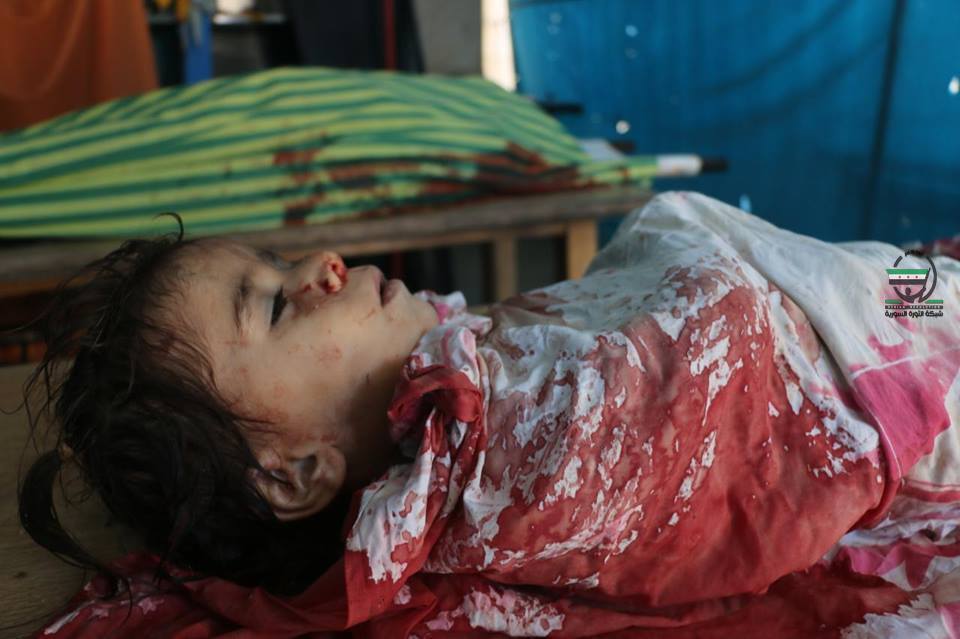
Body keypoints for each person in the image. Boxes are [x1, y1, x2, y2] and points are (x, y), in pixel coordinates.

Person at [19, 193, 960, 637]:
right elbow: (705, 423)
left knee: (894, 274)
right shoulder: (501, 469)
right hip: (865, 369)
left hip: (838, 293)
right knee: (918, 287)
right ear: (296, 472)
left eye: (276, 262)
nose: (319, 267)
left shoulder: (456, 366)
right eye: (270, 306)